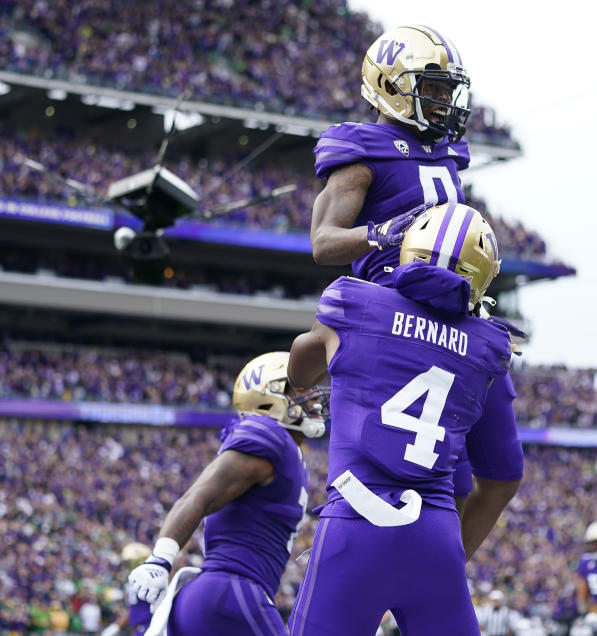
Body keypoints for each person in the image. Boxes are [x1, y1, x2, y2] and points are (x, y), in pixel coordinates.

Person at [308, 23, 523, 557]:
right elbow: (322, 242)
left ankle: (447, 570)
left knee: (496, 474)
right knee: (411, 468)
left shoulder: (448, 150)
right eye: (431, 88)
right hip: (394, 311)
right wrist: (381, 232)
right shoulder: (361, 150)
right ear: (389, 86)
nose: (443, 101)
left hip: (457, 311)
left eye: (448, 90)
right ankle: (350, 544)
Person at [285, 204, 513, 635]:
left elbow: (300, 367)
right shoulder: (489, 346)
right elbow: (501, 478)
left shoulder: (355, 301)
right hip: (436, 532)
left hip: (356, 521)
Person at [127, 352, 328, 635]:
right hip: (231, 593)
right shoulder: (269, 434)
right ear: (270, 397)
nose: (314, 396)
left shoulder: (288, 452)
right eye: (301, 388)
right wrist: (160, 559)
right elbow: (199, 494)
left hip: (220, 597)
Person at [101, 543, 153, 636]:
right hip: (140, 628)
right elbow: (133, 608)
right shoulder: (134, 582)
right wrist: (116, 626)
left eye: (127, 562)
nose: (125, 566)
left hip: (148, 626)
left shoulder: (147, 581)